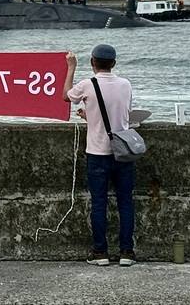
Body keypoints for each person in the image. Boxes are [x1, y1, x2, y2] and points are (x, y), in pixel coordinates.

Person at [63, 44, 136, 268]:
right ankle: (126, 252)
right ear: (113, 63)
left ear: (92, 63)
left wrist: (70, 67)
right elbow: (122, 116)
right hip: (123, 153)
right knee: (125, 202)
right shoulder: (125, 85)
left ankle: (100, 252)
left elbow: (66, 97)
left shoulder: (87, 84)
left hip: (97, 153)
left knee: (99, 203)